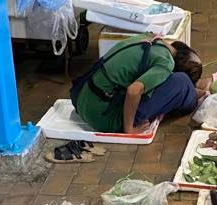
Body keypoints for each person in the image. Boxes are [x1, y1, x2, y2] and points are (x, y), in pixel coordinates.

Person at [70, 34, 208, 134]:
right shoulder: (166, 63)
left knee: (174, 83)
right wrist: (129, 129)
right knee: (182, 83)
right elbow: (133, 90)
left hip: (83, 100)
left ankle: (193, 90)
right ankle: (191, 92)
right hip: (103, 117)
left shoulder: (150, 38)